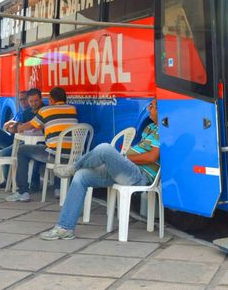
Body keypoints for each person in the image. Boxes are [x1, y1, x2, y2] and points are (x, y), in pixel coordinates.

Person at [39, 98, 159, 240]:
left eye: (153, 106)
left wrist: (125, 158)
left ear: (162, 110)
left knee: (104, 148)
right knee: (81, 176)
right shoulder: (150, 128)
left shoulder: (164, 131)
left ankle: (74, 166)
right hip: (128, 170)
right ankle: (65, 227)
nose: (149, 108)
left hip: (140, 175)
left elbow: (151, 157)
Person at [5, 86, 78, 202]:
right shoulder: (73, 109)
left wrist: (17, 127)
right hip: (74, 156)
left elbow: (27, 126)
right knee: (59, 149)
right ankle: (58, 188)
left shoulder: (46, 110)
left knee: (22, 151)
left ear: (51, 99)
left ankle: (23, 192)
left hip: (54, 156)